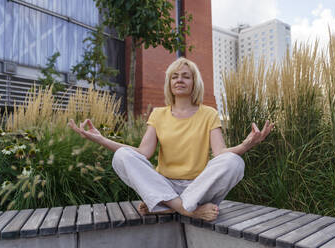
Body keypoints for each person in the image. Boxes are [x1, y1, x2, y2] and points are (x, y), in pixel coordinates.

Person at [68, 57, 273, 222]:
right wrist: (101, 139)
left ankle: (166, 206)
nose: (179, 80)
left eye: (185, 76)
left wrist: (248, 144)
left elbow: (220, 154)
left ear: (194, 82)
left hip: (198, 188)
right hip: (164, 184)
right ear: (169, 83)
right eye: (174, 77)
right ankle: (185, 209)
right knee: (122, 156)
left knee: (234, 162)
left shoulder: (209, 114)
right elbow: (141, 154)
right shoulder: (158, 114)